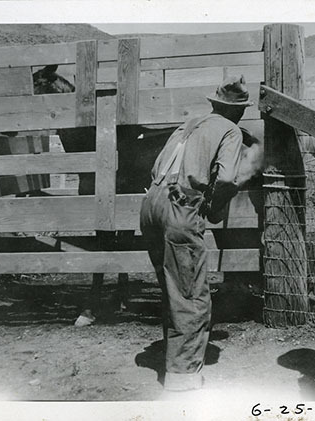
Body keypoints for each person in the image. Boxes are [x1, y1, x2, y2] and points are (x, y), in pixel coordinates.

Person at [139, 75, 252, 391]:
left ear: (214, 104)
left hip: (151, 204)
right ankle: (183, 376)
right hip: (181, 206)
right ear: (238, 111)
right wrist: (212, 207)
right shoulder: (230, 130)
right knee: (190, 292)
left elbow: (156, 166)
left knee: (172, 286)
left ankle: (172, 358)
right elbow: (228, 178)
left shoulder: (188, 124)